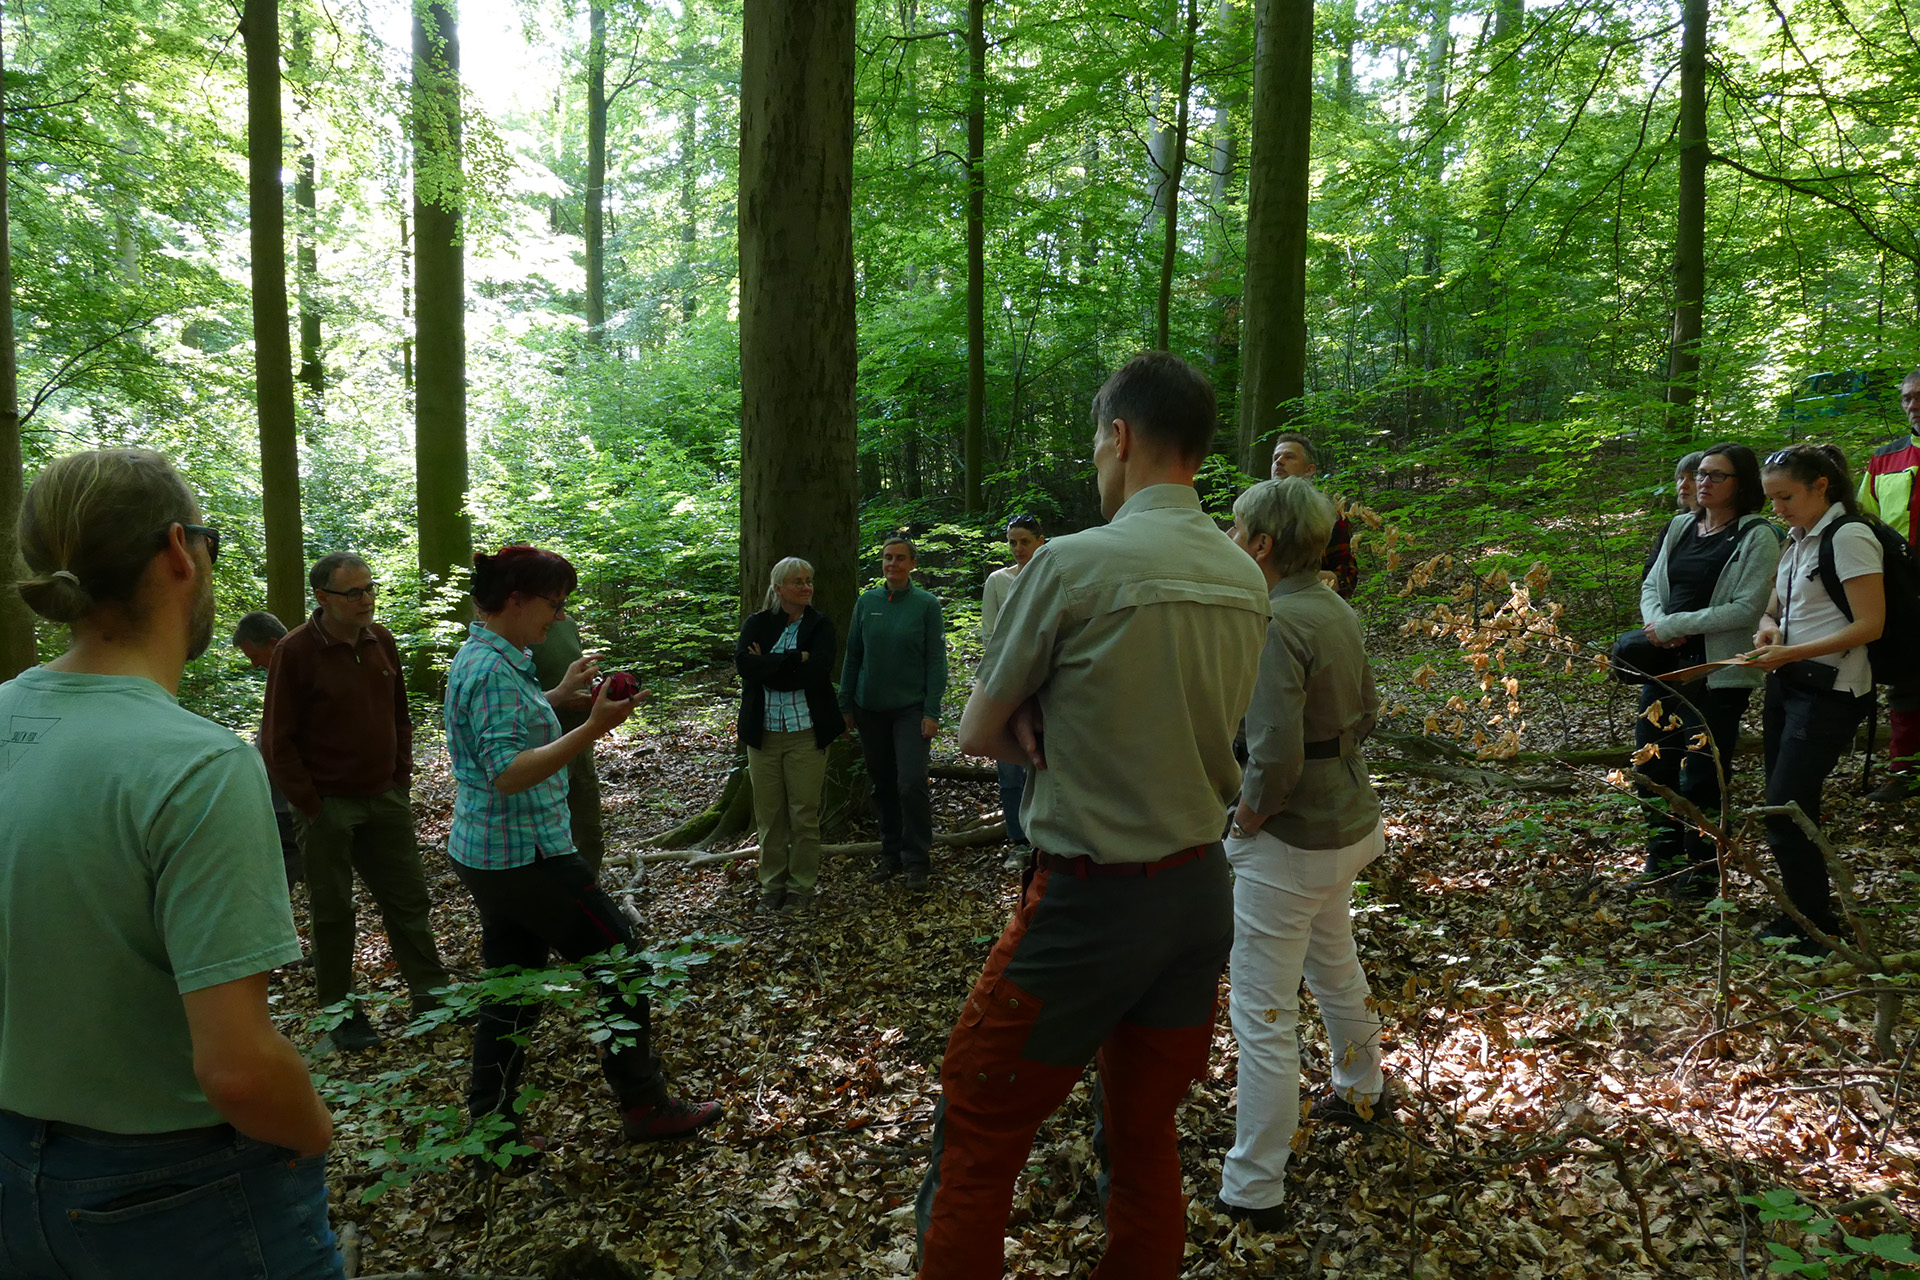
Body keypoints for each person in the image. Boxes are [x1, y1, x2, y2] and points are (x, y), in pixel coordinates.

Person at [914, 352, 1270, 1278]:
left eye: (1096, 445)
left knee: (980, 1120)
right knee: (1143, 1129)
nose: (1097, 462)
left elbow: (977, 730)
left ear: (1120, 436)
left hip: (1089, 902)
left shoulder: (1072, 564)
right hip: (1200, 894)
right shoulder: (1243, 576)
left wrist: (1037, 710)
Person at [0, 448, 343, 1278]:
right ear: (179, 552)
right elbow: (237, 1070)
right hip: (180, 1191)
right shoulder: (198, 765)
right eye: (209, 540)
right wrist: (314, 1136)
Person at [445, 544, 722, 1152]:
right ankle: (645, 1105)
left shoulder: (488, 655)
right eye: (555, 603)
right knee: (623, 963)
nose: (561, 616)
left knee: (512, 990)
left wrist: (558, 698)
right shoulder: (491, 669)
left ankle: (492, 1133)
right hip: (528, 857)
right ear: (516, 600)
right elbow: (506, 771)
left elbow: (504, 728)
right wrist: (593, 728)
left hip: (490, 854)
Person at [1215, 475, 1388, 1232]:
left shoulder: (1276, 620)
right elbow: (1368, 711)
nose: (1228, 540)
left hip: (1292, 840)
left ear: (1261, 545)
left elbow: (1275, 756)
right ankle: (1363, 1087)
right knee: (1333, 959)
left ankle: (1254, 1186)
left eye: (1234, 529)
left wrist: (1246, 822)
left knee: (1262, 1011)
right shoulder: (1333, 606)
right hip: (1347, 820)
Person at [262, 552, 451, 1054]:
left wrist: (399, 778)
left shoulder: (379, 639)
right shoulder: (295, 651)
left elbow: (400, 716)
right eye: (353, 592)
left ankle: (432, 996)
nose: (366, 599)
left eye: (369, 589)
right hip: (327, 805)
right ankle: (341, 1014)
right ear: (323, 598)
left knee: (408, 899)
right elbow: (276, 740)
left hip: (384, 797)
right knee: (332, 913)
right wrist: (311, 803)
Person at [1746, 444, 1886, 955]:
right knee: (1784, 804)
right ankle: (1805, 916)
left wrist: (1791, 652)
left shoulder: (1849, 537)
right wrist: (1769, 630)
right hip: (1788, 683)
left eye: (1785, 496)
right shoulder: (1798, 539)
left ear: (1820, 486)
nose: (1777, 508)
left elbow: (1870, 624)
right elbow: (1774, 609)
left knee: (1785, 807)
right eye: (1771, 498)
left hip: (1831, 692)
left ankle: (1815, 928)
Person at [1633, 444, 1780, 897]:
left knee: (1703, 776)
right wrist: (1657, 627)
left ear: (1742, 483)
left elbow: (1747, 608)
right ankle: (1661, 861)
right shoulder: (1680, 526)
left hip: (1718, 674)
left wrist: (1675, 625)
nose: (1703, 482)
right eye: (1701, 473)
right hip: (1664, 669)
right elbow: (1651, 584)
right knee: (1652, 768)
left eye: (1717, 475)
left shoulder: (1757, 536)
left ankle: (1700, 875)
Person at [840, 535, 947, 894]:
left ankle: (917, 859)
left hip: (910, 710)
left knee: (911, 782)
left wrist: (931, 710)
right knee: (883, 783)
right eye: (888, 558)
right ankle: (891, 854)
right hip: (870, 709)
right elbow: (853, 655)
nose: (893, 564)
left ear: (913, 563)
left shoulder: (926, 605)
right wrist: (845, 703)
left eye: (901, 558)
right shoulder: (866, 602)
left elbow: (936, 661)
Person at [736, 556, 843, 912]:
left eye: (809, 580)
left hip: (806, 734)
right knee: (769, 816)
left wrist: (767, 664)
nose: (806, 587)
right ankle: (772, 885)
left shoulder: (820, 625)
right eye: (798, 581)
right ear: (778, 587)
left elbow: (816, 673)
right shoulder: (757, 623)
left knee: (803, 814)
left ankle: (801, 887)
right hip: (763, 735)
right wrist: (795, 658)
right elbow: (744, 666)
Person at [1857, 370, 1920, 803]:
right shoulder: (1885, 459)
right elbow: (1865, 522)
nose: (1913, 405)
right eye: (1906, 398)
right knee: (1908, 681)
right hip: (1903, 588)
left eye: (1919, 396)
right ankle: (1906, 772)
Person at [981, 513, 1045, 871]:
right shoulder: (998, 581)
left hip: (1046, 686)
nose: (1018, 548)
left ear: (1040, 542)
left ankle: (1046, 840)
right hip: (1007, 684)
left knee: (1046, 760)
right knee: (1009, 770)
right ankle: (1018, 841)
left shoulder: (1051, 576)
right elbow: (990, 635)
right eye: (1012, 542)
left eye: (1025, 541)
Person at [528, 613, 606, 872]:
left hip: (580, 740)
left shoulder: (567, 623)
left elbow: (574, 673)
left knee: (589, 832)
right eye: (554, 600)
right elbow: (511, 697)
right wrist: (559, 699)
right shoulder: (520, 628)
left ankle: (589, 891)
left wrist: (595, 691)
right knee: (548, 837)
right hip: (542, 748)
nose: (559, 609)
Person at [234, 609, 305, 889]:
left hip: (292, 805)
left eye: (254, 656)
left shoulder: (302, 677)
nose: (254, 665)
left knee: (278, 879)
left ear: (274, 644)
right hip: (279, 802)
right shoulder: (281, 677)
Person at [1269, 433, 1357, 598]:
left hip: (1308, 606)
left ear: (1309, 470)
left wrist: (1294, 579)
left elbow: (1347, 578)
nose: (1279, 461)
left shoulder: (1328, 516)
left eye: (1289, 457)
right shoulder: (1254, 511)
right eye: (1276, 458)